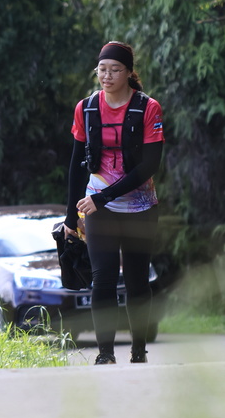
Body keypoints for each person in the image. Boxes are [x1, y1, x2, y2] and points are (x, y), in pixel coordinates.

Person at [63, 41, 164, 364]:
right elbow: (77, 164)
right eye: (102, 69)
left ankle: (138, 350)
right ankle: (105, 353)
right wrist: (70, 218)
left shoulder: (148, 108)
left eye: (115, 70)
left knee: (136, 282)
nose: (107, 76)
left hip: (139, 208)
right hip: (98, 209)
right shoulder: (86, 108)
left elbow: (149, 165)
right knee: (102, 278)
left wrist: (102, 196)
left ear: (129, 73)